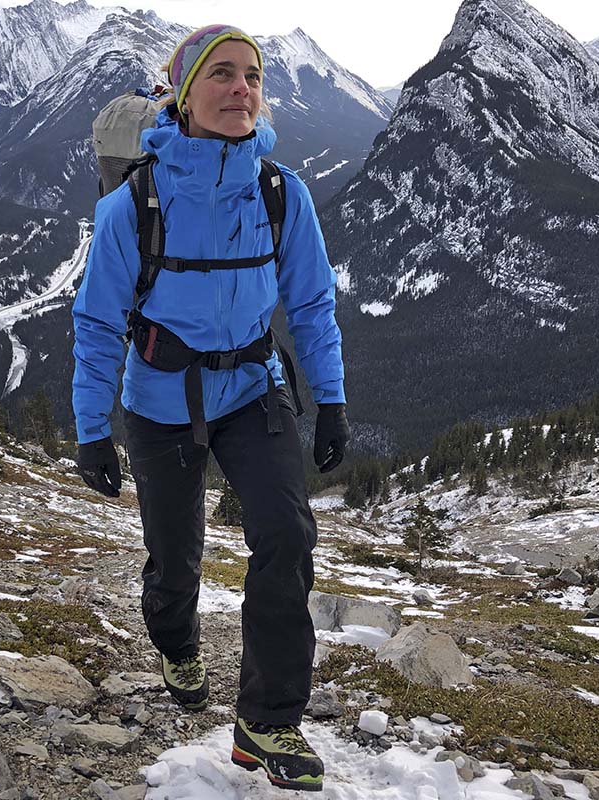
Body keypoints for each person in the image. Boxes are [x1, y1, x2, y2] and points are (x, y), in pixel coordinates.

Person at [71, 23, 349, 793]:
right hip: (159, 399)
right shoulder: (138, 202)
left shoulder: (278, 192)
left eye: (252, 77)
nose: (241, 90)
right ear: (184, 95)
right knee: (176, 552)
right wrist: (94, 432)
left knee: (288, 535)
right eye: (222, 75)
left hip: (253, 389)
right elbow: (96, 323)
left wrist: (329, 401)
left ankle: (268, 722)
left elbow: (313, 304)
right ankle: (176, 641)